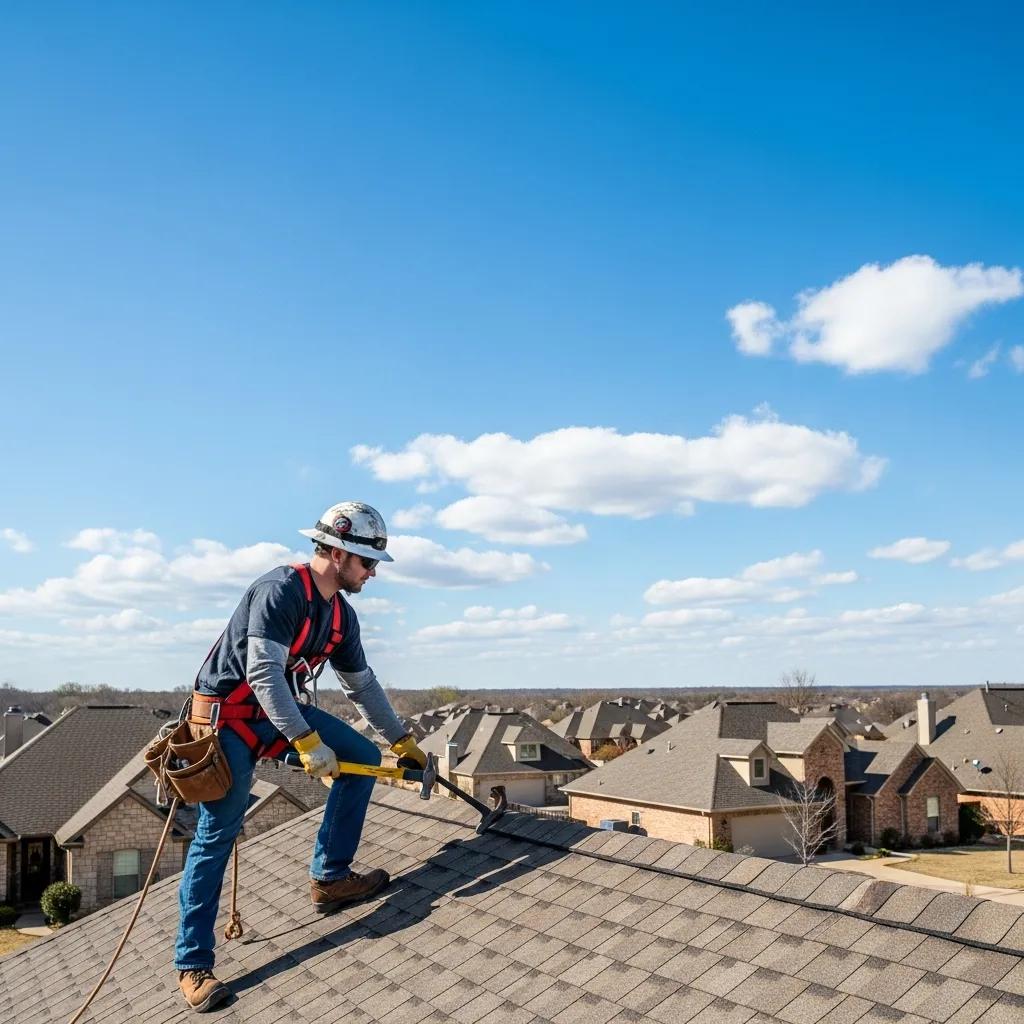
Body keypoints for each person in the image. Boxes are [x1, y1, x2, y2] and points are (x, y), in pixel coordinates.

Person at [174, 502, 426, 1013]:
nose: (373, 573)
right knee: (218, 831)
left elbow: (362, 685)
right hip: (228, 719)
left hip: (277, 714)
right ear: (337, 552)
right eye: (367, 563)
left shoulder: (340, 616)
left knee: (359, 759)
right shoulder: (280, 591)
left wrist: (400, 742)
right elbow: (264, 675)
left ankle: (330, 878)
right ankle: (192, 963)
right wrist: (308, 743)